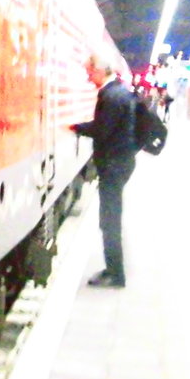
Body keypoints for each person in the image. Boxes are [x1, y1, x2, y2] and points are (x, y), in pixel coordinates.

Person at [71, 50, 137, 288]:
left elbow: (102, 130)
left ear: (100, 70)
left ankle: (115, 274)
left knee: (110, 221)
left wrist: (76, 127)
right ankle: (113, 270)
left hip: (113, 165)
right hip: (120, 162)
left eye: (90, 72)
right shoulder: (119, 91)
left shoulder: (110, 96)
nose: (89, 78)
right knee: (109, 218)